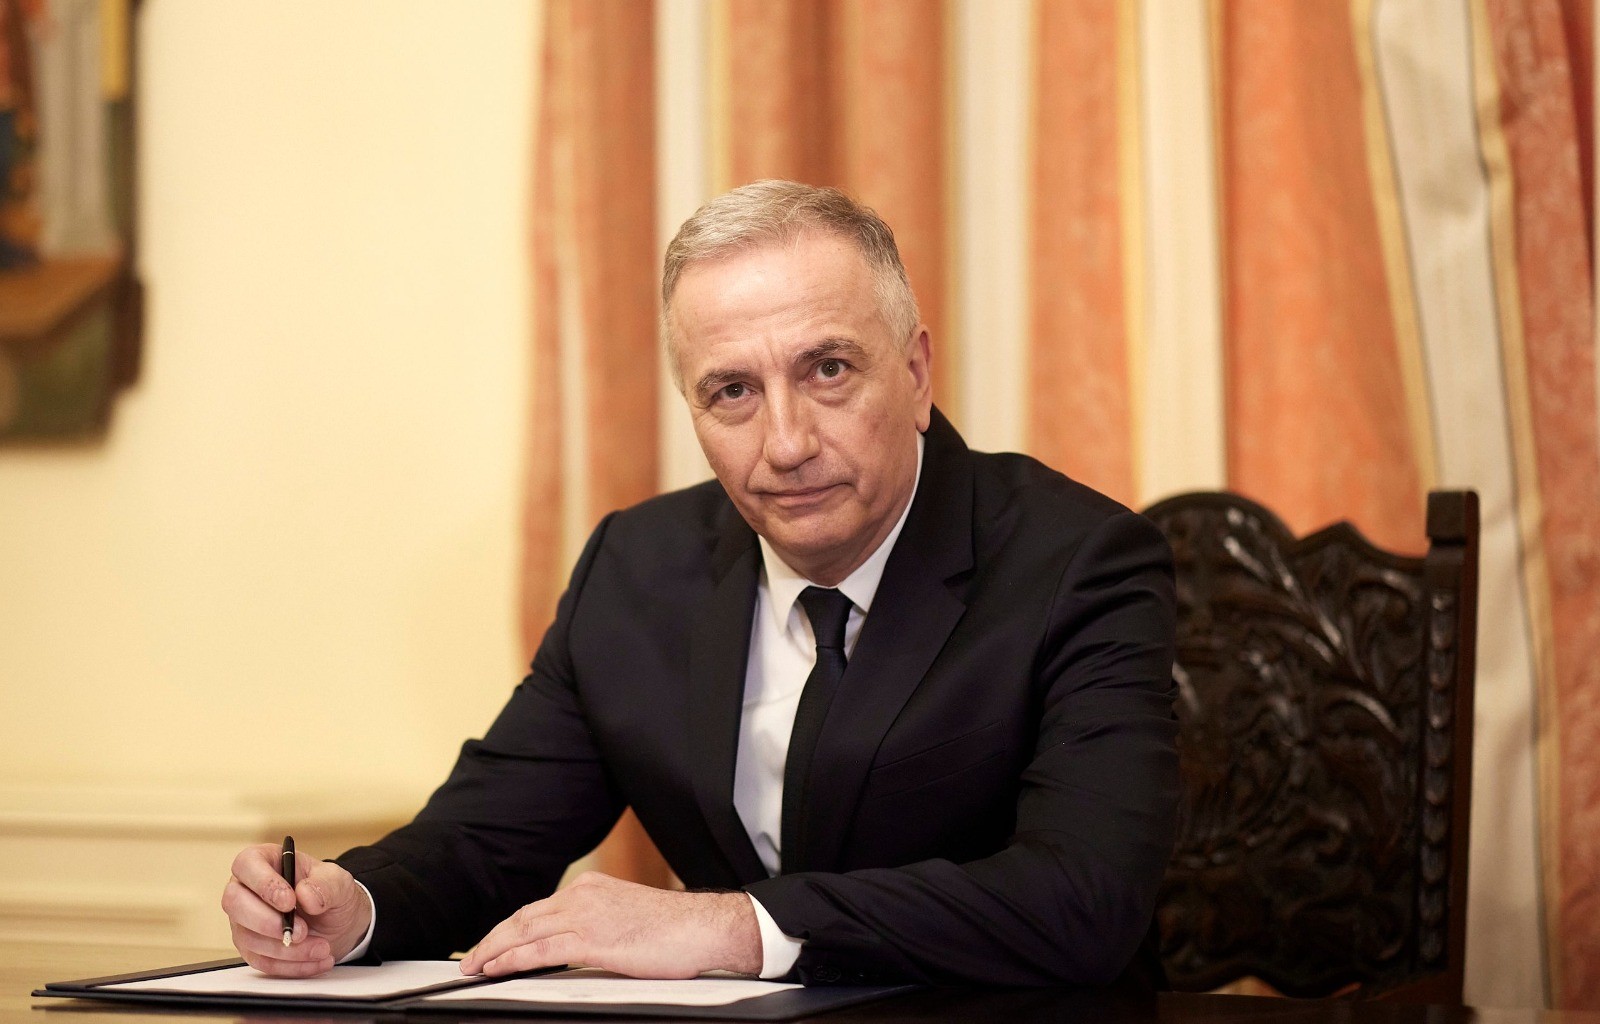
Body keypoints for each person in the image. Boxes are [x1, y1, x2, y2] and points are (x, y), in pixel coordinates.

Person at [219, 180, 1178, 987]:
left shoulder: (1078, 561)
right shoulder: (637, 569)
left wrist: (734, 928)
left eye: (829, 369)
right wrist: (355, 905)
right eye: (733, 392)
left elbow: (1083, 899)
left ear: (917, 373)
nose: (787, 444)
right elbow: (485, 840)